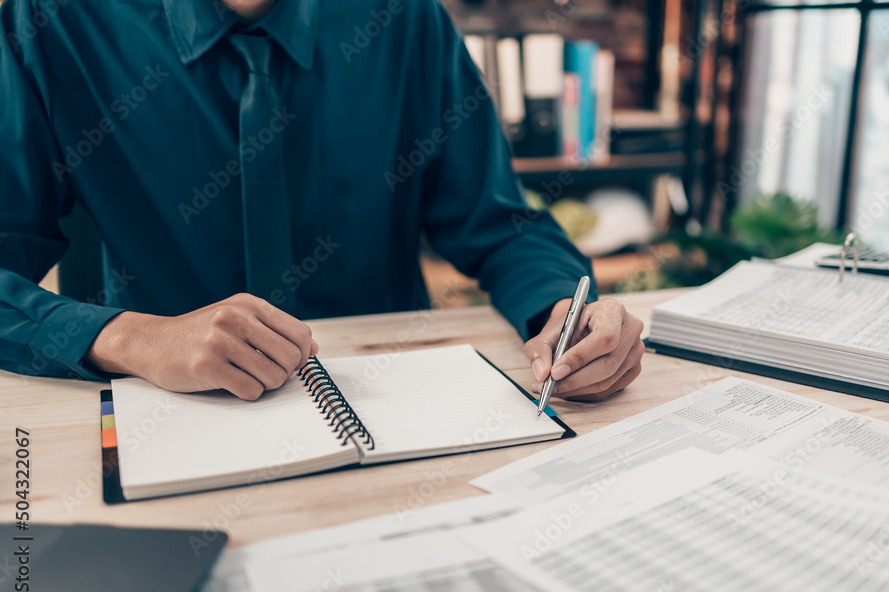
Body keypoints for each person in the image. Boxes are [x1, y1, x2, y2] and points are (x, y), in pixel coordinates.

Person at [0, 0, 644, 402]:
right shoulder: (49, 19)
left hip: (396, 408)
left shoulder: (405, 17)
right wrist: (135, 340)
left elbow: (498, 225)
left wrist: (561, 304)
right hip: (168, 415)